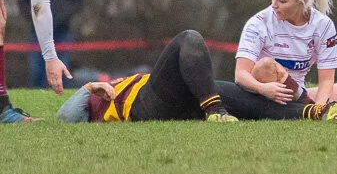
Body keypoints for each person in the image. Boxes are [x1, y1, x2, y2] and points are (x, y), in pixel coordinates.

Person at [57, 30, 242, 123]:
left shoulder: (111, 85)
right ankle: (215, 110)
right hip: (140, 106)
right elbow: (64, 117)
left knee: (249, 99)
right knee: (188, 38)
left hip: (174, 100)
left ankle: (217, 109)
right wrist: (89, 87)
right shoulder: (90, 101)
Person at [18, 0, 83, 89]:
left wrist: (63, 16)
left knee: (63, 66)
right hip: (38, 33)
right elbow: (23, 2)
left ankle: (62, 93)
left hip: (62, 31)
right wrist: (36, 16)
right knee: (37, 68)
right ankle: (37, 94)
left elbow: (77, 1)